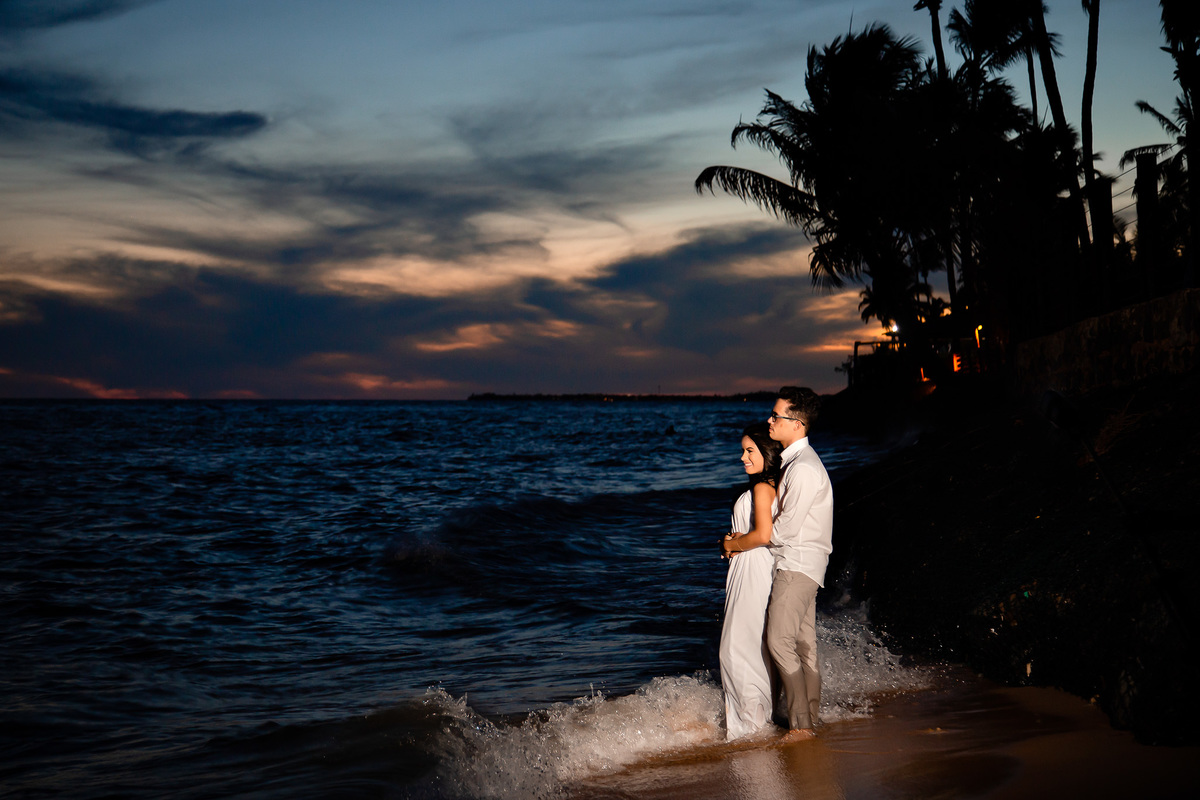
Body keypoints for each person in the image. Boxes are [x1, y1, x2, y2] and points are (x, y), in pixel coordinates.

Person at [723, 386, 832, 742]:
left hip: (797, 565)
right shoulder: (793, 464)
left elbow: (782, 530)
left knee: (779, 642)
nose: (770, 420)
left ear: (797, 424)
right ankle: (807, 720)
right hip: (799, 564)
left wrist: (738, 542)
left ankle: (801, 726)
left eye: (776, 415)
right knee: (803, 647)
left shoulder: (803, 469)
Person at [718, 422, 782, 740]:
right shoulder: (769, 485)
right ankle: (754, 722)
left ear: (767, 452)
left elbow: (763, 535)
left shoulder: (762, 487)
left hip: (754, 567)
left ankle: (751, 727)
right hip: (752, 566)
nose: (742, 457)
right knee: (748, 645)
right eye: (743, 451)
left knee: (735, 648)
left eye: (749, 450)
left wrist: (731, 545)